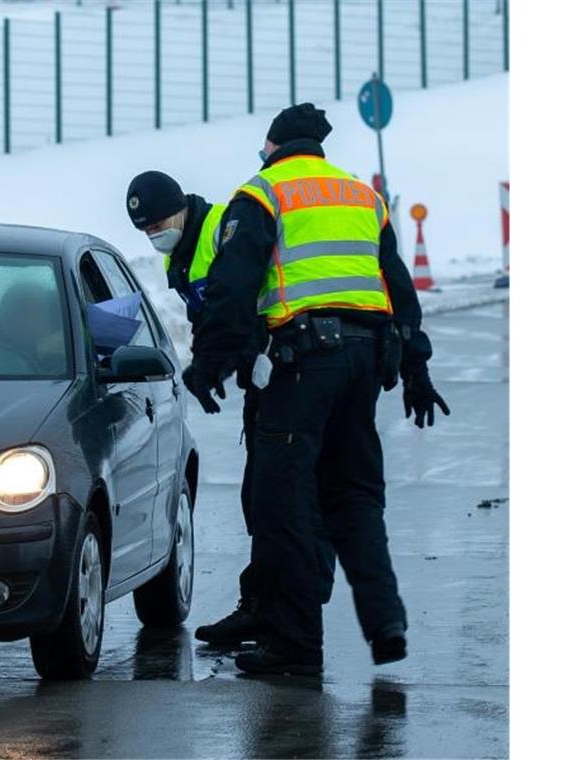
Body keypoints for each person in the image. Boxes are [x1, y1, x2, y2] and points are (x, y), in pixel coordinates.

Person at [186, 103, 450, 675]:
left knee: (281, 505)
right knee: (354, 498)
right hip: (364, 365)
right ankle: (385, 623)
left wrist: (209, 362)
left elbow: (233, 289)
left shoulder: (265, 192)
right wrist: (416, 367)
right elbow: (397, 286)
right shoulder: (361, 195)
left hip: (303, 365)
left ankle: (294, 646)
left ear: (274, 145)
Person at [126, 170, 336, 647]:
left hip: (289, 369)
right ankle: (265, 604)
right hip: (262, 377)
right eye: (145, 230)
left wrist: (216, 364)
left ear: (181, 206)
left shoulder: (226, 229)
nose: (155, 234)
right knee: (260, 498)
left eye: (159, 222)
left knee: (283, 495)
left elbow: (241, 302)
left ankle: (292, 602)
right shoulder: (179, 257)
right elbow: (214, 318)